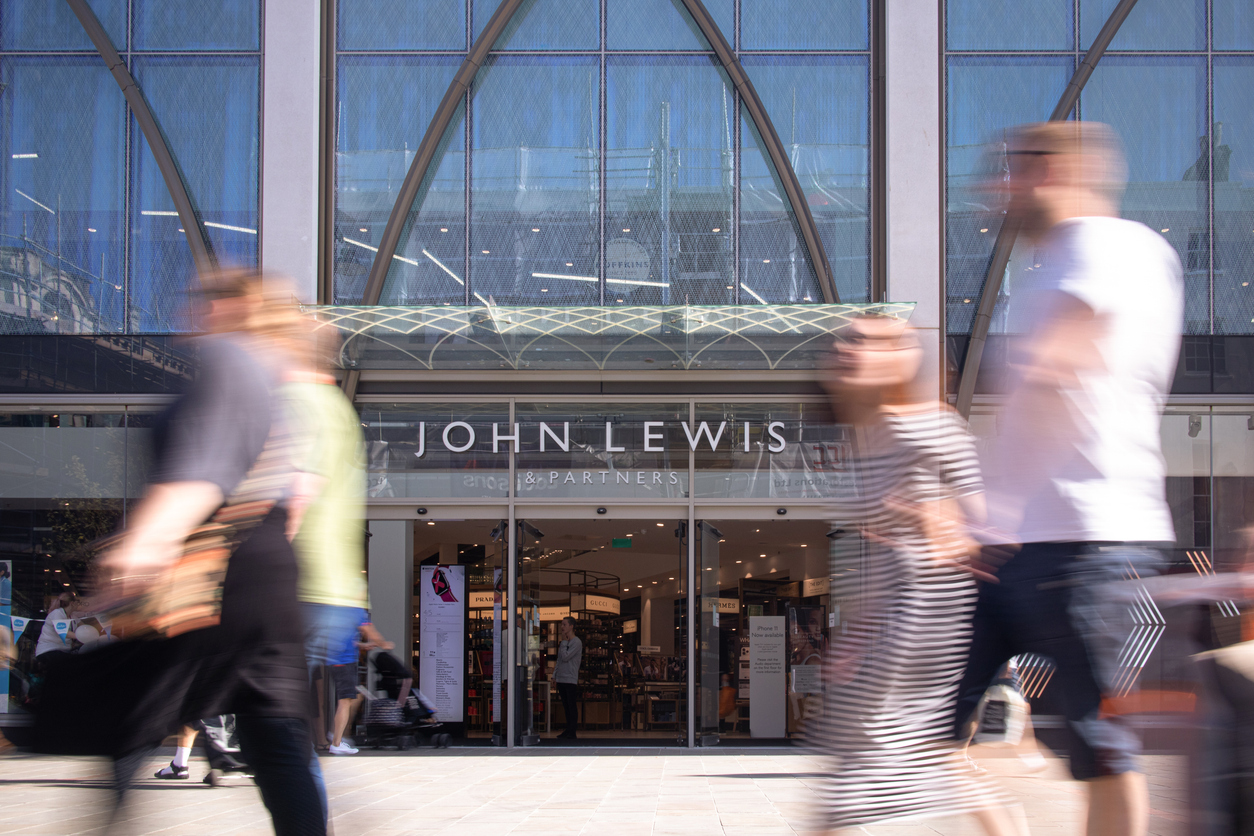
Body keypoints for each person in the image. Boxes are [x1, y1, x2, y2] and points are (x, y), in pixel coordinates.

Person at [34, 268, 326, 836]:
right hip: (266, 577)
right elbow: (291, 497)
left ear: (227, 311)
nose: (190, 315)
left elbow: (204, 467)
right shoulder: (277, 380)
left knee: (131, 713)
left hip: (214, 579)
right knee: (276, 741)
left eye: (201, 303)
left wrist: (149, 542)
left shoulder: (228, 361)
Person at [953, 121, 1183, 836]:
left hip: (1089, 540)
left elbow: (1060, 367)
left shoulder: (1108, 247)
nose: (996, 190)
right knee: (930, 728)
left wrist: (996, 506)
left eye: (1009, 172)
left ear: (1048, 171)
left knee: (1101, 747)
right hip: (1020, 544)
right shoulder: (1046, 266)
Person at [815, 316, 1024, 835]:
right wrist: (854, 633)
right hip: (892, 605)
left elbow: (986, 525)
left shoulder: (933, 424)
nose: (845, 350)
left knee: (879, 743)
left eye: (863, 342)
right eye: (844, 340)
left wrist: (933, 518)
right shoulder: (863, 437)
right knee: (905, 747)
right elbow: (875, 557)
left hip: (927, 606)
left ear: (898, 358)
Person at [554, 616, 582, 740]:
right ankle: (568, 728)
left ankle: (572, 730)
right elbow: (559, 660)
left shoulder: (576, 642)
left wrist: (564, 643)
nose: (562, 627)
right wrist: (554, 675)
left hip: (570, 678)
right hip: (561, 678)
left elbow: (565, 657)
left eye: (564, 624)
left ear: (571, 626)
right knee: (565, 705)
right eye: (561, 624)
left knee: (571, 705)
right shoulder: (564, 643)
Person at [34, 592, 78, 660]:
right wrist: (81, 636)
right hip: (49, 650)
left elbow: (84, 627)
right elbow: (63, 632)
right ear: (72, 603)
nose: (78, 604)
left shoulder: (73, 617)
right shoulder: (57, 613)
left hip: (63, 651)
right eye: (77, 602)